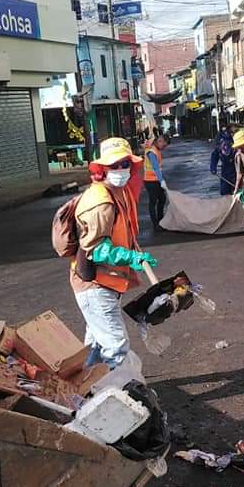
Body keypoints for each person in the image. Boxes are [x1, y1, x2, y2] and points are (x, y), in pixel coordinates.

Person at [71, 137, 158, 369]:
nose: (120, 170)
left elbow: (125, 231)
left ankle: (84, 390)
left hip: (107, 283)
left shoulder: (121, 191)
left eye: (125, 164)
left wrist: (134, 252)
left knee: (97, 346)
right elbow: (96, 249)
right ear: (102, 169)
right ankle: (117, 397)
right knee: (116, 347)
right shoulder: (100, 201)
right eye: (114, 165)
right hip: (95, 286)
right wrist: (131, 258)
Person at [143, 134, 170, 231]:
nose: (164, 147)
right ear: (160, 141)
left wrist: (161, 179)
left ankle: (160, 221)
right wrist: (161, 180)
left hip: (156, 180)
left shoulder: (156, 150)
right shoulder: (151, 152)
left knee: (162, 199)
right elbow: (155, 167)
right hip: (150, 181)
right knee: (153, 202)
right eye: (164, 145)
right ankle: (156, 225)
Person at [210, 125, 236, 195]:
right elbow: (215, 156)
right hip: (225, 169)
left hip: (236, 168)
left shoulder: (235, 141)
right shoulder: (220, 141)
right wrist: (213, 167)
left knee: (237, 190)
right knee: (225, 191)